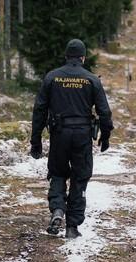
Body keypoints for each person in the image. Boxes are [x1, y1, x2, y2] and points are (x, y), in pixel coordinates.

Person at [29, 39, 113, 238]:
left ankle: (58, 209)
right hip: (83, 135)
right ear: (83, 57)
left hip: (59, 134)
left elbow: (39, 110)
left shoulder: (52, 77)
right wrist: (106, 136)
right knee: (79, 177)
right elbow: (104, 112)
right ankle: (72, 226)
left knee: (58, 173)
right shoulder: (92, 80)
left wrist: (36, 140)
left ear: (66, 56)